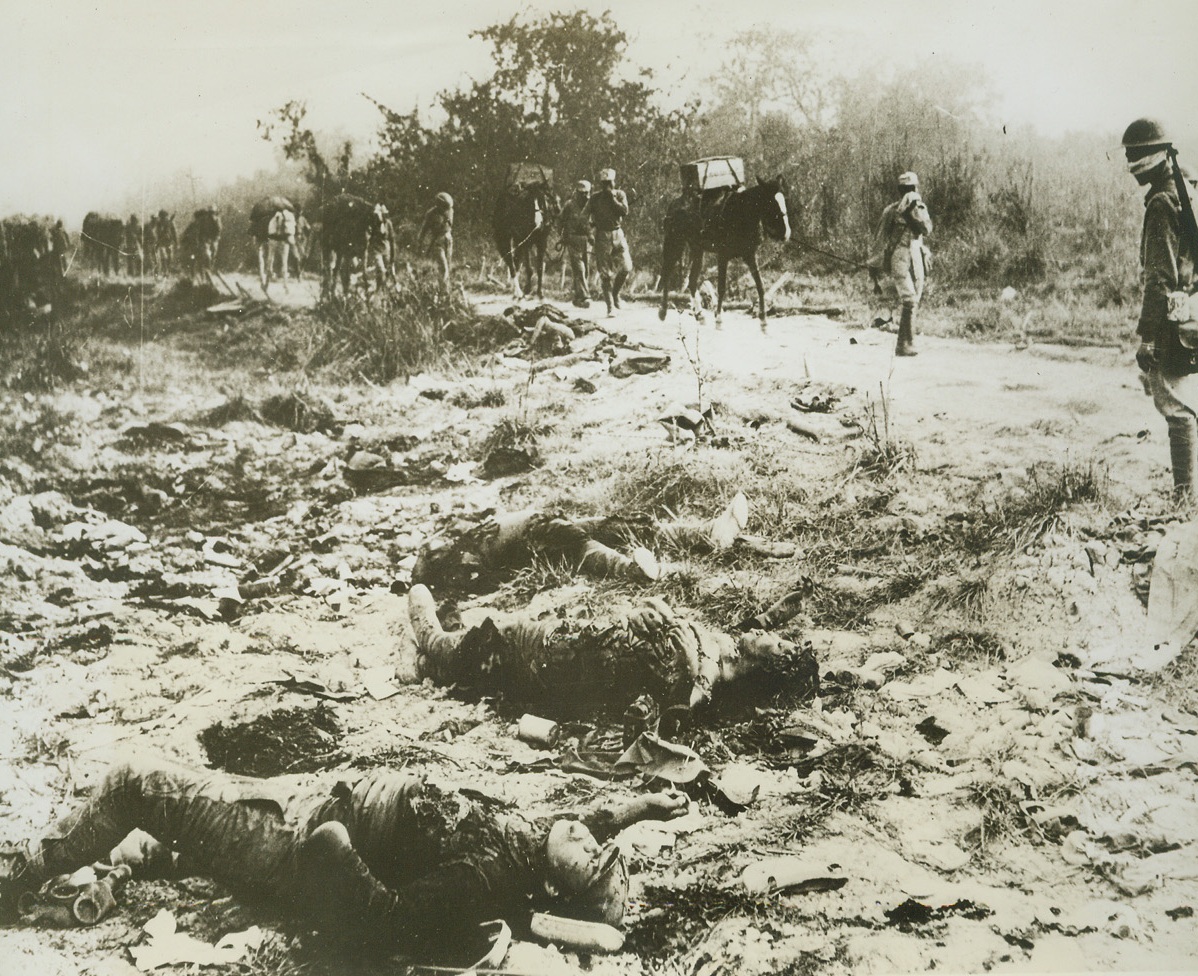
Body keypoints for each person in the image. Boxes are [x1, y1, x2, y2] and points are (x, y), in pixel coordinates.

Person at [1, 755, 688, 960]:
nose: (592, 843)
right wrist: (641, 806)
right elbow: (581, 826)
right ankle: (113, 864)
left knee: (135, 784)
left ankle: (21, 868)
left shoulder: (481, 877)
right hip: (306, 804)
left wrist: (336, 851)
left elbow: (386, 922)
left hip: (294, 850)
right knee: (165, 836)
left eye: (592, 861)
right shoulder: (530, 843)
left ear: (556, 886)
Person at [406, 581, 816, 719]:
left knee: (455, 644)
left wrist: (660, 613)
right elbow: (756, 627)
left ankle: (428, 645)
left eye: (778, 645)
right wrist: (784, 608)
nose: (770, 635)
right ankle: (432, 666)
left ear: (765, 661)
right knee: (477, 665)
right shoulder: (725, 649)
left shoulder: (703, 671)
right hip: (568, 651)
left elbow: (693, 695)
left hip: (559, 658)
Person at [413, 494, 751, 593]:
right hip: (539, 536)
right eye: (431, 551)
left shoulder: (464, 537)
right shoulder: (464, 558)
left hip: (542, 524)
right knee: (585, 549)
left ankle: (707, 533)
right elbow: (489, 579)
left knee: (617, 527)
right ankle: (634, 570)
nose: (435, 544)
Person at [1123, 117, 1198, 504]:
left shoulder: (1161, 202)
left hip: (1174, 314)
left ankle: (1185, 500)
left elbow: (1159, 277)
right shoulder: (1187, 190)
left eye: (1134, 156)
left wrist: (1148, 337)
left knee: (1174, 402)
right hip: (1193, 305)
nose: (1130, 164)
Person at [868, 172, 933, 356]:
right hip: (901, 257)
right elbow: (880, 238)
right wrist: (874, 265)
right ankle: (906, 344)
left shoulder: (918, 208)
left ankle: (904, 343)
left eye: (911, 189)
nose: (910, 192)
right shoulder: (891, 211)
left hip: (916, 255)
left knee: (914, 298)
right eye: (907, 189)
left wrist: (914, 210)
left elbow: (926, 229)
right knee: (909, 298)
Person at [586, 169, 632, 316]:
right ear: (600, 184)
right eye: (604, 183)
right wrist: (589, 232)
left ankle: (615, 294)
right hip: (602, 235)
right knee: (605, 273)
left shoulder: (619, 194)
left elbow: (624, 211)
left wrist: (613, 199)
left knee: (626, 267)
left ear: (614, 182)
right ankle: (610, 307)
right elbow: (584, 216)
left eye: (609, 183)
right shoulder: (594, 198)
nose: (607, 186)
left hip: (618, 233)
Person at [558, 180, 594, 307]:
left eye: (587, 193)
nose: (585, 196)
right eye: (582, 193)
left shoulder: (591, 205)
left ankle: (578, 297)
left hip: (587, 240)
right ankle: (585, 296)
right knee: (580, 268)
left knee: (585, 269)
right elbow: (560, 220)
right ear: (577, 193)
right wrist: (562, 235)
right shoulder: (569, 205)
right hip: (572, 239)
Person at [418, 192, 455, 287]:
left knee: (448, 266)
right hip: (438, 242)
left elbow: (449, 225)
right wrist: (420, 241)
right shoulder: (431, 214)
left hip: (448, 239)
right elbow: (424, 229)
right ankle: (443, 292)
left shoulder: (450, 211)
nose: (446, 209)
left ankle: (447, 289)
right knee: (443, 268)